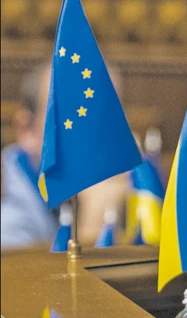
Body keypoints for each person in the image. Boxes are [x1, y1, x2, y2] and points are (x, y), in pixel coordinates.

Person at [1, 62, 130, 252]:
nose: (94, 133)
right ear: (27, 129)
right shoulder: (8, 215)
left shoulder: (133, 185)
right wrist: (94, 224)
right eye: (71, 118)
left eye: (108, 116)